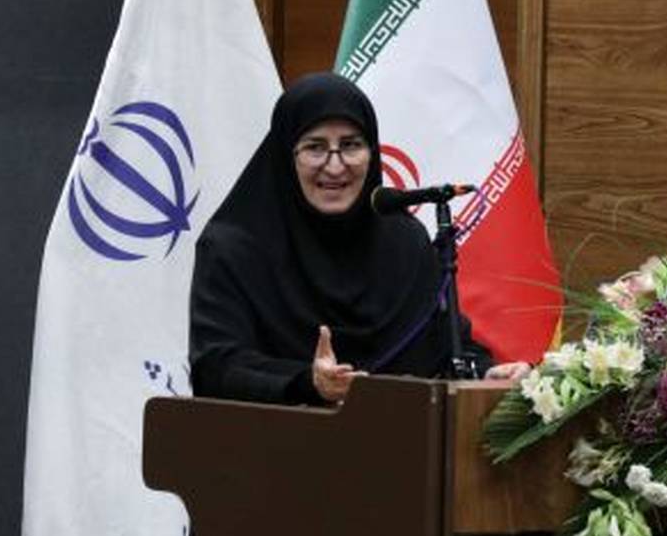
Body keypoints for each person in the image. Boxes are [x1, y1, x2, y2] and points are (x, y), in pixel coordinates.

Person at [189, 72, 528, 406]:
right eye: (315, 147)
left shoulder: (404, 241)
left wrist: (487, 373)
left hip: (402, 435)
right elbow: (216, 367)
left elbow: (447, 346)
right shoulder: (233, 247)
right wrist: (309, 382)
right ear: (285, 154)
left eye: (351, 145)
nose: (335, 167)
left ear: (372, 152)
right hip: (277, 437)